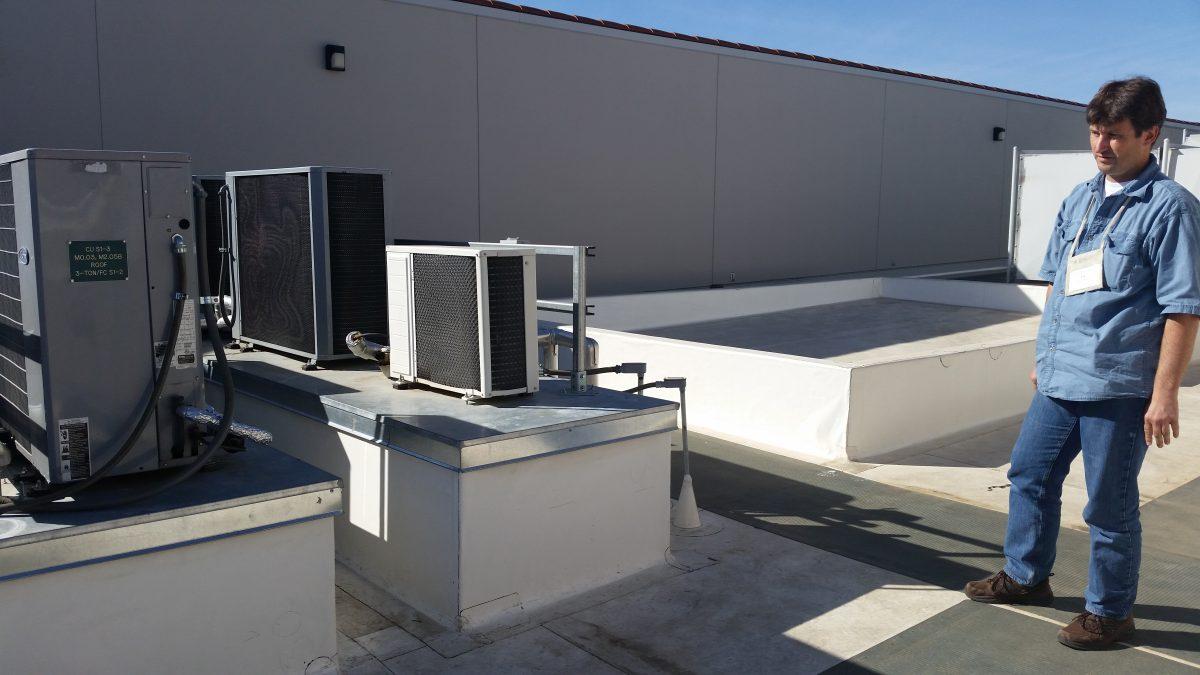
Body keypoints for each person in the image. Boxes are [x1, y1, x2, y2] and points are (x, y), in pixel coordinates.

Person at [963, 77, 1200, 650]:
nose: (1101, 146)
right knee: (1030, 475)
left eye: (1115, 135)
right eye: (1095, 132)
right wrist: (1044, 353)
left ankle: (1111, 613)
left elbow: (1184, 310)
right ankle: (1026, 577)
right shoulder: (1079, 198)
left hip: (1119, 386)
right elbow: (1059, 284)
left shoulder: (1171, 210)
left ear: (1150, 135)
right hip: (1061, 375)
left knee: (1109, 506)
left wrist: (1163, 395)